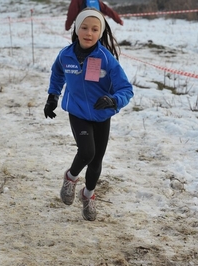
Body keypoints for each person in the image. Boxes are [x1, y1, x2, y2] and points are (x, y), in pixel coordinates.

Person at [44, 8, 133, 221]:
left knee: (96, 162)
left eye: (94, 29)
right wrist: (52, 97)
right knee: (87, 152)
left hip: (102, 114)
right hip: (77, 111)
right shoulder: (65, 55)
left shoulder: (106, 58)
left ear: (100, 33)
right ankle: (71, 177)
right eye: (84, 27)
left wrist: (114, 100)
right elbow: (57, 73)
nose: (89, 33)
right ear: (77, 29)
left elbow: (126, 89)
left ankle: (88, 195)